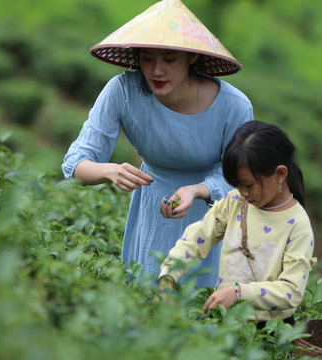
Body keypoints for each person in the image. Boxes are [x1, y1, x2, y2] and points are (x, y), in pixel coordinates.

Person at [62, 0, 254, 288]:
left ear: (191, 58)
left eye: (169, 59)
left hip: (210, 214)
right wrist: (109, 171)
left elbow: (242, 181)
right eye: (148, 58)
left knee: (200, 308)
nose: (156, 71)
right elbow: (75, 163)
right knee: (146, 298)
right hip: (152, 209)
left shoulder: (233, 106)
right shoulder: (122, 92)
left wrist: (197, 190)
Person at [155, 121, 317, 327]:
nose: (243, 192)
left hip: (268, 330)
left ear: (280, 174)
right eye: (238, 185)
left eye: (248, 185)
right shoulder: (235, 202)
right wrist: (167, 279)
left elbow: (291, 291)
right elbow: (195, 239)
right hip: (223, 319)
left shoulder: (297, 224)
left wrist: (240, 293)